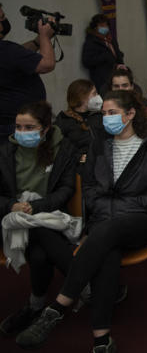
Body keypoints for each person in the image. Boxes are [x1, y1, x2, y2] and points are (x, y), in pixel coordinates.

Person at [15, 90, 147, 352]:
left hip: (143, 220)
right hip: (105, 222)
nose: (106, 118)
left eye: (112, 113)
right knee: (106, 252)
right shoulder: (99, 144)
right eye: (104, 114)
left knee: (106, 231)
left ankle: (59, 306)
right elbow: (88, 187)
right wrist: (107, 208)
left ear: (131, 113)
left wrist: (122, 207)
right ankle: (102, 338)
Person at [0, 101, 78, 336]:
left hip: (48, 212)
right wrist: (13, 205)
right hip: (10, 217)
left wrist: (36, 207)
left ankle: (34, 306)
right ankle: (83, 283)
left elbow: (66, 189)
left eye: (29, 127)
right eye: (18, 127)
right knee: (40, 234)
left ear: (45, 129)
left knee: (40, 250)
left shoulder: (63, 148)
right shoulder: (5, 151)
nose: (22, 133)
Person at [0, 20, 55, 138]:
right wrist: (45, 36)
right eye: (1, 18)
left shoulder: (7, 50)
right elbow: (47, 64)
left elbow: (19, 57)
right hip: (20, 124)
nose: (4, 22)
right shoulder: (5, 49)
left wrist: (37, 41)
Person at [54, 79, 104, 164]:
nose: (98, 96)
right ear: (82, 97)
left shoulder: (97, 117)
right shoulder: (66, 122)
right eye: (94, 93)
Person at [81, 14, 124, 92]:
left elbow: (116, 53)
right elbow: (86, 61)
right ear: (95, 27)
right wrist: (104, 56)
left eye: (106, 25)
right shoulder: (91, 41)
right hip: (102, 80)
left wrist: (119, 55)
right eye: (101, 25)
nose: (104, 27)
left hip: (116, 76)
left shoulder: (110, 39)